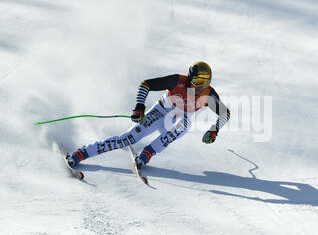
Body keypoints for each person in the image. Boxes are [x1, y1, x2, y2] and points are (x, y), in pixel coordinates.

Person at [66, 61, 230, 169]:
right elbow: (146, 84)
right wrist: (139, 107)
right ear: (190, 78)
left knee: (184, 125)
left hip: (180, 120)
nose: (200, 87)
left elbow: (225, 113)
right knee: (129, 139)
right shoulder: (176, 80)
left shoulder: (208, 94)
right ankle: (84, 152)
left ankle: (149, 152)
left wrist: (214, 130)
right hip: (161, 111)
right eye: (197, 82)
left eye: (205, 82)